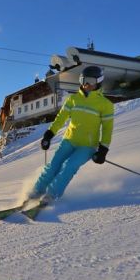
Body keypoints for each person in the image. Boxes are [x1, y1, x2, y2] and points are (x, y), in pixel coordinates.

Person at [28, 65, 114, 204]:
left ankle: (51, 195)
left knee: (69, 166)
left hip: (87, 146)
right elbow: (60, 119)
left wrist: (103, 149)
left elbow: (107, 129)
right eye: (84, 80)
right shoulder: (73, 99)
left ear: (99, 81)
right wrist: (49, 135)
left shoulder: (105, 105)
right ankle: (36, 191)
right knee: (53, 166)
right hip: (69, 140)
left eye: (91, 81)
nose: (86, 84)